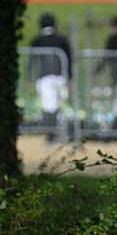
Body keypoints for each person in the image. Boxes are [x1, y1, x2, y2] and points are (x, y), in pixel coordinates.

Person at [29, 13, 73, 143]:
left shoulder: (37, 41)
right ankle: (60, 132)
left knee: (49, 106)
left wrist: (30, 77)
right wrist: (70, 78)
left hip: (45, 78)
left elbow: (31, 61)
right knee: (61, 105)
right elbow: (69, 60)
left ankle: (51, 133)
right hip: (61, 77)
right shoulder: (62, 40)